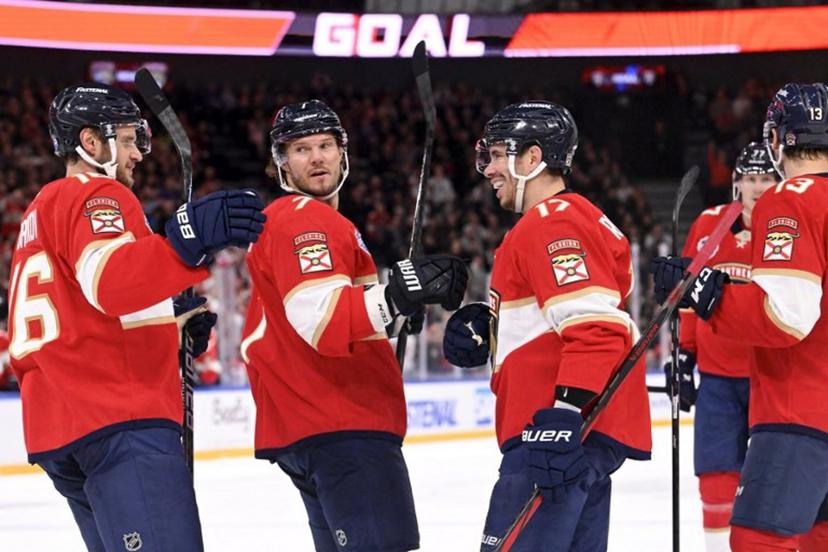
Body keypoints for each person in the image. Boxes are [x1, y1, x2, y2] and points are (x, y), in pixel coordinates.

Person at [7, 83, 265, 552]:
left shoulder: (40, 210)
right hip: (118, 419)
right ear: (90, 143)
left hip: (62, 425)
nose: (138, 155)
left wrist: (169, 325)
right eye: (126, 140)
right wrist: (183, 243)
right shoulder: (98, 193)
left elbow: (82, 310)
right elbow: (111, 283)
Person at [239, 99, 467, 552]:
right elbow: (321, 320)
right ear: (280, 163)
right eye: (301, 149)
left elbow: (306, 317)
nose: (317, 157)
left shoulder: (303, 222)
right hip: (342, 423)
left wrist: (391, 313)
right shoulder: (307, 220)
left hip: (314, 426)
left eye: (325, 145)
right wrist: (395, 297)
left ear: (343, 153)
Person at [443, 101, 651, 552]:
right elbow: (573, 312)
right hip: (574, 439)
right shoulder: (577, 218)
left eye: (499, 154)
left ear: (532, 158)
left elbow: (596, 326)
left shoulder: (551, 222)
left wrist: (563, 415)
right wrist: (492, 329)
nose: (490, 169)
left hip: (551, 439)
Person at [652, 82, 828, 552]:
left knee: (758, 540)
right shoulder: (718, 221)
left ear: (777, 139)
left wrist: (711, 297)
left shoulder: (790, 199)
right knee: (816, 535)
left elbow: (787, 316)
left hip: (800, 408)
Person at [669, 141, 779, 551]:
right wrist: (684, 354)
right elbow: (687, 298)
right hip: (716, 377)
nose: (757, 187)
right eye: (749, 178)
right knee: (715, 473)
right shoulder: (709, 225)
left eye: (766, 178)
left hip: (771, 375)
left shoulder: (788, 227)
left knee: (773, 476)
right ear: (736, 182)